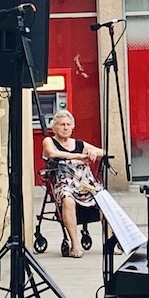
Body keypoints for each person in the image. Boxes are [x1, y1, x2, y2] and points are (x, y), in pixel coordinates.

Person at [41, 109, 104, 257]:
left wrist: (93, 153)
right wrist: (77, 156)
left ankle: (109, 243)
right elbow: (52, 154)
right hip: (63, 183)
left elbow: (104, 152)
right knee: (68, 200)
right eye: (62, 124)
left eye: (69, 124)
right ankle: (75, 245)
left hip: (85, 183)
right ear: (54, 127)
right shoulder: (49, 141)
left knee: (104, 198)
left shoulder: (79, 144)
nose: (65, 127)